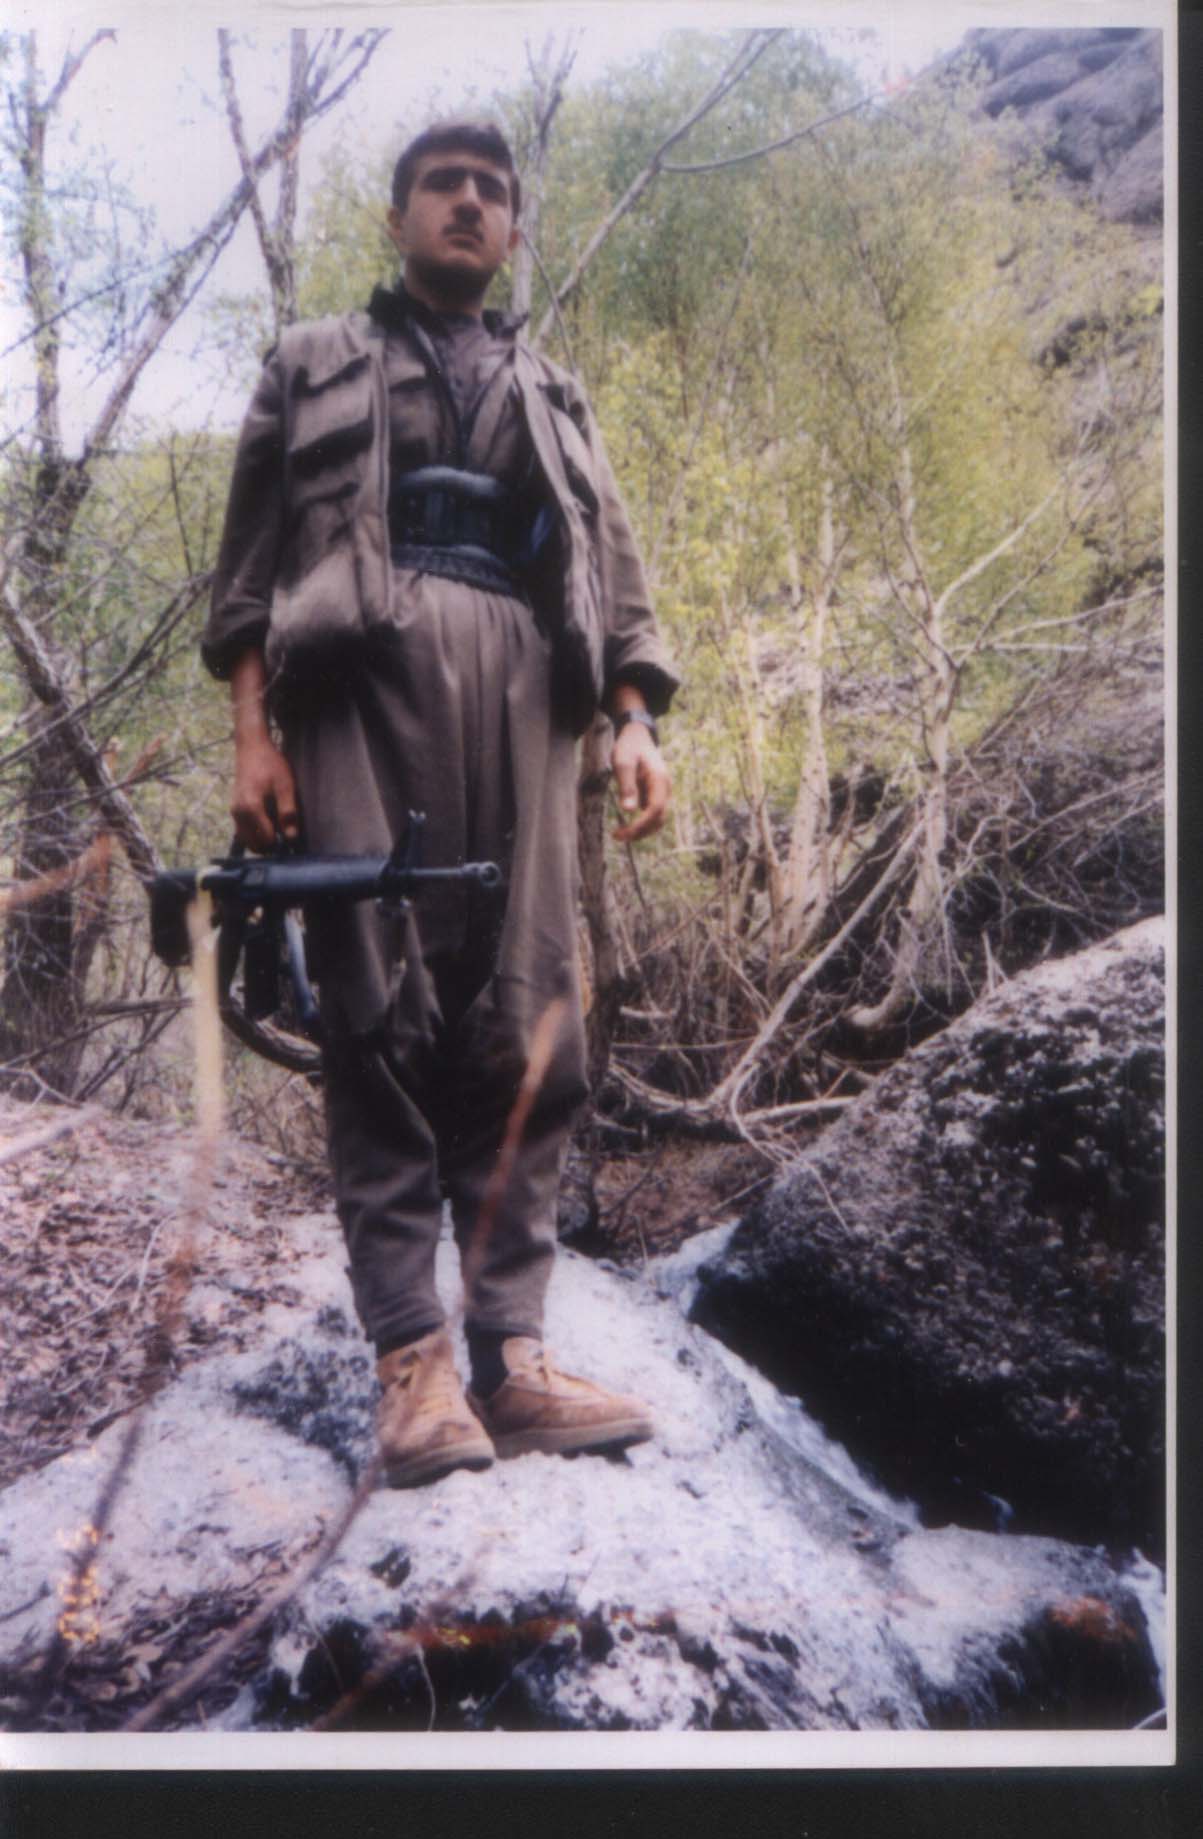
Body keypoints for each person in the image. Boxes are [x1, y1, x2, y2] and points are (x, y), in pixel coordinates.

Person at [201, 121, 679, 1488]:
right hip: (359, 686)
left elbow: (614, 573)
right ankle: (412, 1361)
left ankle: (513, 1357)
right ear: (400, 214)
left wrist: (634, 720)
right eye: (442, 186)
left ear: (513, 229)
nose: (468, 204)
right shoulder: (311, 361)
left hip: (530, 697)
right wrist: (253, 739)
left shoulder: (555, 392)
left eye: (491, 192)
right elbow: (248, 572)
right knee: (376, 1002)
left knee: (531, 1012)